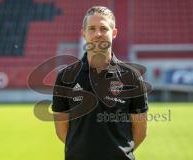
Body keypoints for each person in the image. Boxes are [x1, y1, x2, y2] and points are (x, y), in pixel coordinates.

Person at [52, 6, 149, 160]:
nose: (97, 34)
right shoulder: (65, 77)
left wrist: (118, 153)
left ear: (114, 33)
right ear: (83, 33)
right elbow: (61, 129)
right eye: (92, 29)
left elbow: (140, 131)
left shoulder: (132, 77)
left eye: (104, 28)